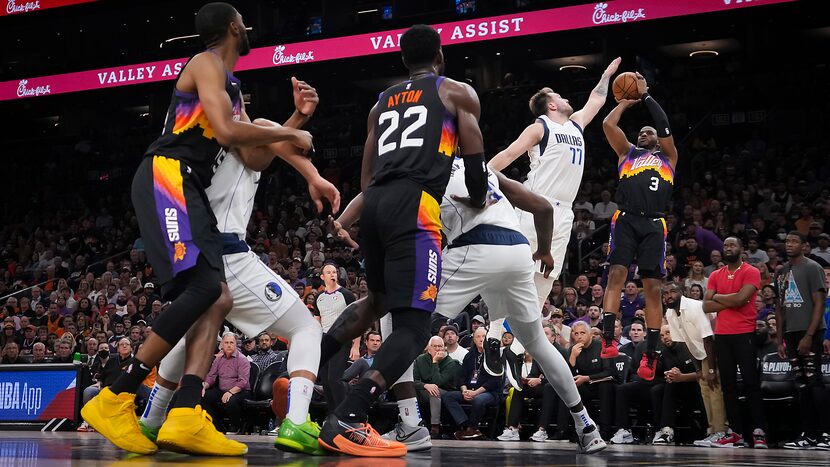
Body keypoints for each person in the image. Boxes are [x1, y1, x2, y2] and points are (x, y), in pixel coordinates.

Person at [80, 2, 314, 456]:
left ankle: (186, 414)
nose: (248, 28)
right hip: (168, 176)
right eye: (244, 23)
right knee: (204, 289)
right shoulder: (206, 63)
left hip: (188, 186)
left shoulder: (232, 86)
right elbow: (228, 132)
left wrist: (295, 122)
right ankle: (116, 395)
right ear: (232, 28)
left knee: (216, 294)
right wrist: (290, 137)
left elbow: (253, 156)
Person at [328, 157, 607, 453]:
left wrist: (341, 223)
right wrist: (545, 250)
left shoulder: (422, 166)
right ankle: (586, 426)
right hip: (518, 252)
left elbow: (370, 192)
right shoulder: (484, 168)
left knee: (394, 319)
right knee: (537, 341)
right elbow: (542, 207)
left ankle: (410, 424)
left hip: (476, 248)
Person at [317, 24, 490, 457]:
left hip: (375, 203)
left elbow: (366, 171)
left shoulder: (380, 103)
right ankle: (351, 415)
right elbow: (474, 163)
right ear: (440, 56)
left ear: (402, 61)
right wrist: (478, 198)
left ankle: (312, 374)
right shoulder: (456, 92)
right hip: (415, 205)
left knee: (376, 303)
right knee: (414, 327)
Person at [137, 77, 335, 455]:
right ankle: (295, 420)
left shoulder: (201, 140)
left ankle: (150, 421)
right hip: (226, 250)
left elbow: (268, 145)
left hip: (194, 248)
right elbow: (270, 137)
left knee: (193, 334)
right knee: (305, 327)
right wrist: (303, 141)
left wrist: (306, 157)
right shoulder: (245, 129)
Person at [488, 57, 621, 308]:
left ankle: (525, 336)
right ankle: (496, 334)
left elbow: (597, 99)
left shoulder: (576, 124)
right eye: (561, 97)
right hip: (536, 205)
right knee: (520, 270)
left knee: (548, 275)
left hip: (564, 211)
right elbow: (508, 154)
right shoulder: (540, 127)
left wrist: (607, 75)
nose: (568, 100)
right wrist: (481, 174)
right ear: (551, 105)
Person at [599, 73, 679, 386]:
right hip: (626, 219)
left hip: (654, 223)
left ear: (658, 139)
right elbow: (608, 125)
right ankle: (608, 338)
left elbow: (664, 123)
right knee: (617, 275)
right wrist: (625, 101)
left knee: (653, 289)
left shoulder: (669, 158)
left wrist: (645, 96)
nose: (643, 134)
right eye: (641, 132)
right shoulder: (626, 154)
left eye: (649, 132)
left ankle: (651, 354)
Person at [703, 237, 768, 448]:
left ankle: (759, 431)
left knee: (750, 383)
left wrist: (720, 297)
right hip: (722, 335)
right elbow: (706, 306)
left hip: (745, 332)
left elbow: (742, 300)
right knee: (728, 386)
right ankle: (736, 433)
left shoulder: (751, 271)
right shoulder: (714, 274)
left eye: (732, 245)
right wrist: (732, 299)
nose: (728, 248)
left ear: (741, 249)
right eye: (725, 245)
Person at [773, 232, 829, 449]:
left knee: (814, 383)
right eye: (787, 241)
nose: (789, 244)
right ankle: (809, 434)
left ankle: (826, 433)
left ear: (805, 246)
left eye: (794, 241)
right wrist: (780, 340)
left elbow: (819, 303)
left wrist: (809, 336)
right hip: (791, 332)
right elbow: (779, 308)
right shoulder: (781, 271)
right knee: (801, 385)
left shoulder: (813, 267)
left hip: (810, 331)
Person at [662, 282, 727, 448]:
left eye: (672, 292)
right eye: (665, 293)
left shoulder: (695, 307)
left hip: (717, 349)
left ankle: (721, 431)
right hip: (701, 352)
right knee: (705, 390)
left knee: (714, 389)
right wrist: (698, 369)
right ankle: (712, 431)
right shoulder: (670, 313)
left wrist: (711, 368)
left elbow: (708, 339)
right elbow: (686, 342)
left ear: (682, 292)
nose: (668, 296)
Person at [442, 328, 500, 440]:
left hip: (488, 393)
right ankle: (465, 426)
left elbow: (494, 381)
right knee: (448, 396)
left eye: (483, 336)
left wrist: (475, 393)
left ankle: (472, 428)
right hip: (469, 390)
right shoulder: (469, 355)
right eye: (478, 337)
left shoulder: (494, 356)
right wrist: (464, 390)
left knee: (479, 400)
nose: (481, 339)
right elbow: (461, 376)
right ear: (473, 339)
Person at [315, 262, 357, 412]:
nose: (332, 274)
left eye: (334, 272)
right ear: (322, 277)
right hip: (325, 340)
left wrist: (356, 345)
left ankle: (343, 414)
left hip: (342, 338)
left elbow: (357, 320)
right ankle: (333, 414)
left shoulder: (347, 295)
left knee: (334, 379)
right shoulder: (318, 297)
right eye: (329, 272)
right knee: (325, 381)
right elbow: (317, 322)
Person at [202, 333, 251, 433]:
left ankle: (236, 425)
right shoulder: (218, 359)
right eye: (226, 342)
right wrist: (204, 386)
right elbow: (211, 376)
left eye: (231, 343)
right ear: (222, 345)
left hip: (240, 391)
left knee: (230, 400)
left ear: (235, 344)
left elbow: (243, 382)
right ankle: (218, 426)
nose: (229, 345)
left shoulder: (242, 360)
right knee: (203, 397)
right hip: (222, 389)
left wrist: (230, 392)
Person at [413, 335, 460, 438]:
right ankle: (412, 425)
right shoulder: (420, 360)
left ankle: (435, 427)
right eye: (435, 346)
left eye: (440, 346)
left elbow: (437, 382)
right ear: (429, 348)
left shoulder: (450, 363)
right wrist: (425, 385)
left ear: (444, 348)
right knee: (412, 391)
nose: (438, 349)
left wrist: (435, 362)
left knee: (434, 390)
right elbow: (414, 381)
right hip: (424, 390)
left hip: (445, 392)